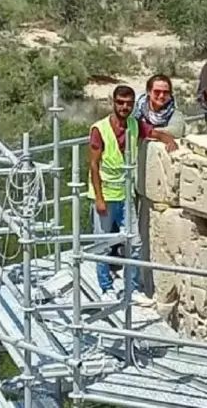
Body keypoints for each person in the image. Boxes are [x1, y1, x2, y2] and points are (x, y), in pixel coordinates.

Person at [88, 85, 155, 306]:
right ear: (113, 102)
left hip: (126, 193)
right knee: (104, 244)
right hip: (106, 195)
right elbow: (94, 165)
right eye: (120, 102)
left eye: (129, 103)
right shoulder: (100, 129)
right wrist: (98, 198)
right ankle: (105, 287)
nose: (125, 107)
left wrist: (169, 140)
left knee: (134, 242)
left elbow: (153, 133)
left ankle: (133, 287)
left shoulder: (135, 125)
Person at [133, 74, 185, 151]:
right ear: (148, 91)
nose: (161, 96)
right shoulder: (136, 107)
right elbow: (131, 126)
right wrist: (160, 135)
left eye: (166, 92)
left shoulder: (174, 109)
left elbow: (176, 131)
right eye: (157, 92)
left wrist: (148, 131)